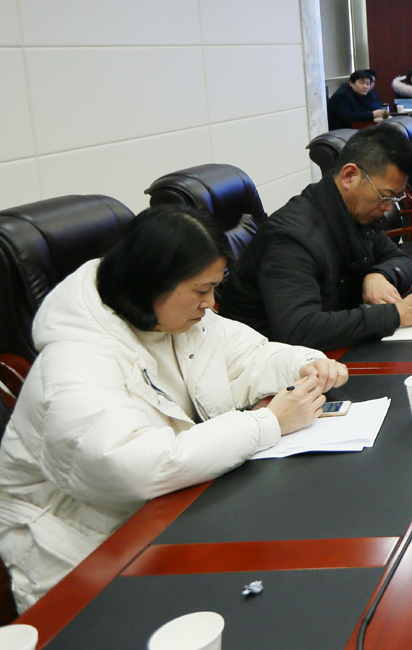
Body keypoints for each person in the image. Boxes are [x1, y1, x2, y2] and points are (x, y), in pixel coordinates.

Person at [0, 207, 344, 611]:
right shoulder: (74, 363)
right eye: (201, 290)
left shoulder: (172, 318)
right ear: (151, 282)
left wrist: (305, 363)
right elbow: (134, 467)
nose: (211, 303)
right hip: (76, 550)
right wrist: (267, 423)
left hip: (168, 512)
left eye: (215, 287)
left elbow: (249, 356)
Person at [217, 126, 412, 350]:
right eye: (385, 196)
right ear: (349, 176)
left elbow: (399, 259)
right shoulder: (292, 238)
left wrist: (378, 275)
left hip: (329, 346)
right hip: (265, 358)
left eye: (395, 198)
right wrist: (395, 314)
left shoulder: (355, 211)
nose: (388, 207)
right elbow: (300, 330)